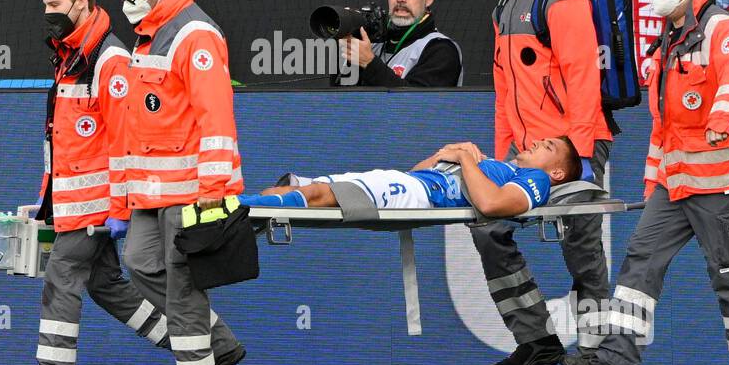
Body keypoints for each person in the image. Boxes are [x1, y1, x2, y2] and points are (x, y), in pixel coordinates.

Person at [555, 0, 729, 365]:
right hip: (676, 185)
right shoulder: (667, 41)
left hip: (722, 182)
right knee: (640, 264)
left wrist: (720, 120)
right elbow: (664, 123)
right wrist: (655, 175)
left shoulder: (720, 28)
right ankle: (616, 364)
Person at [4, 0, 173, 365]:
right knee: (107, 287)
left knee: (61, 277)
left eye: (54, 5)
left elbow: (123, 140)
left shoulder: (108, 59)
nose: (48, 14)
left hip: (97, 206)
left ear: (81, 2)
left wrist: (119, 208)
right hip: (78, 203)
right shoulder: (71, 57)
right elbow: (60, 143)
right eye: (45, 6)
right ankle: (200, 347)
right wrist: (46, 201)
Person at [472, 0, 613, 365]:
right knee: (488, 228)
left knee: (583, 252)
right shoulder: (503, 7)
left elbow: (583, 79)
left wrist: (584, 156)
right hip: (527, 155)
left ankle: (596, 360)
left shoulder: (563, 0)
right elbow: (503, 94)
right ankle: (536, 340)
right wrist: (498, 159)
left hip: (572, 150)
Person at [116, 0, 246, 365]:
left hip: (191, 187)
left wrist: (213, 185)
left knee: (182, 281)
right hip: (151, 189)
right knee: (139, 263)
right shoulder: (148, 33)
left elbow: (216, 118)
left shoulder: (195, 34)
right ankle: (220, 344)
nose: (126, 2)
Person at [241, 136, 577, 216]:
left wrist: (464, 159)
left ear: (557, 170)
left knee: (318, 196)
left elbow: (490, 205)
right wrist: (449, 152)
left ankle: (234, 206)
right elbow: (421, 171)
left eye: (547, 146)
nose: (535, 142)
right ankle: (240, 208)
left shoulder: (538, 180)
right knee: (300, 188)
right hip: (409, 182)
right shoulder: (504, 168)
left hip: (418, 196)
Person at [337, 0, 464, 87]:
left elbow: (416, 104)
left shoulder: (441, 50)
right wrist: (351, 48)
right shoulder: (371, 45)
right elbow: (340, 102)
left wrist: (369, 63)